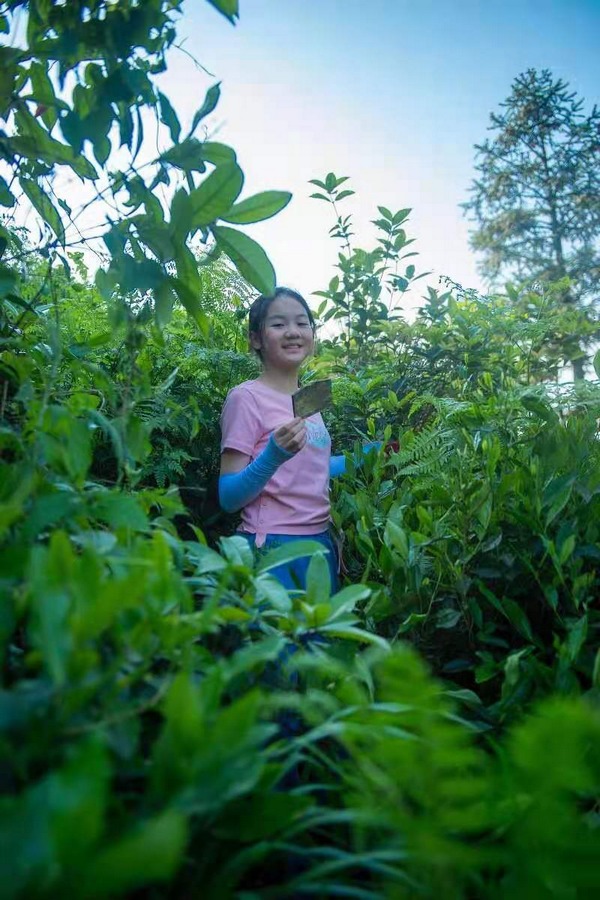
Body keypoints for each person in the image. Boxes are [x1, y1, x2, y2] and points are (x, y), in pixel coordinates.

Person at [219, 287, 371, 593]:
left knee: (318, 641)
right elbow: (228, 496)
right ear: (255, 339)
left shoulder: (307, 401)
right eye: (278, 324)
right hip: (273, 547)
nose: (293, 332)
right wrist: (273, 455)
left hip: (319, 544)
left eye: (302, 323)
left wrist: (368, 454)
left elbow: (311, 467)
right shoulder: (246, 398)